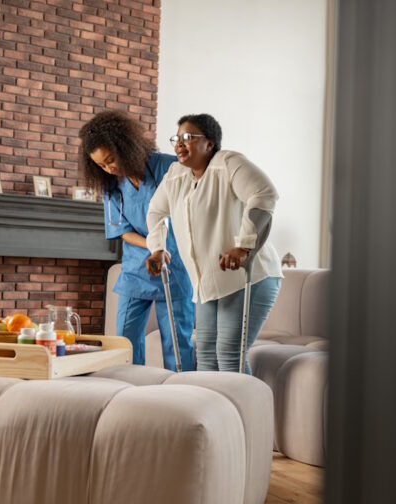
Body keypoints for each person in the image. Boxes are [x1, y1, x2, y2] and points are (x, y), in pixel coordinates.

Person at [145, 114, 282, 374]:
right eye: (177, 138)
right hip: (209, 283)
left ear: (209, 144)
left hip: (249, 277)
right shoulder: (176, 175)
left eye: (188, 137)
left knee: (229, 353)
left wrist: (243, 246)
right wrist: (158, 248)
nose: (179, 144)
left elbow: (264, 193)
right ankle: (214, 413)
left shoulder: (228, 163)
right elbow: (155, 212)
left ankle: (246, 414)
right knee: (206, 353)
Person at [78, 110, 195, 371]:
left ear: (125, 146)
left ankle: (181, 394)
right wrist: (153, 246)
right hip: (136, 267)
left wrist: (164, 247)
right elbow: (122, 230)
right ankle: (131, 393)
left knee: (176, 343)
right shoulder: (111, 186)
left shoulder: (169, 167)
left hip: (174, 266)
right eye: (101, 165)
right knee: (125, 340)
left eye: (111, 160)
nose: (109, 168)